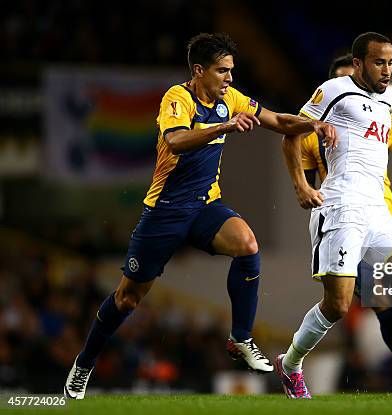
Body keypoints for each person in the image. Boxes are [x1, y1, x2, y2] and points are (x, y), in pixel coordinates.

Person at [64, 32, 336, 400]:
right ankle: (83, 364)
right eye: (222, 71)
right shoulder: (177, 98)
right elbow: (175, 141)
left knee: (247, 244)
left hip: (205, 205)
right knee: (128, 299)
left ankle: (240, 338)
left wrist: (313, 124)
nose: (229, 79)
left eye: (231, 71)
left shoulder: (232, 98)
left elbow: (281, 122)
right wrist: (224, 127)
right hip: (165, 212)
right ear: (199, 71)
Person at [275, 32, 392, 398]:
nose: (387, 70)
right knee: (336, 306)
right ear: (359, 63)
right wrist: (301, 185)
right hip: (340, 208)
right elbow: (290, 133)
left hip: (379, 212)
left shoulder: (385, 108)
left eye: (391, 63)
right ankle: (290, 365)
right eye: (379, 62)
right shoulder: (334, 90)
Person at [300, 53, 392, 366]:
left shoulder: (384, 118)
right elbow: (310, 185)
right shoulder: (313, 138)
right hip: (347, 222)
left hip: (384, 218)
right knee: (383, 306)